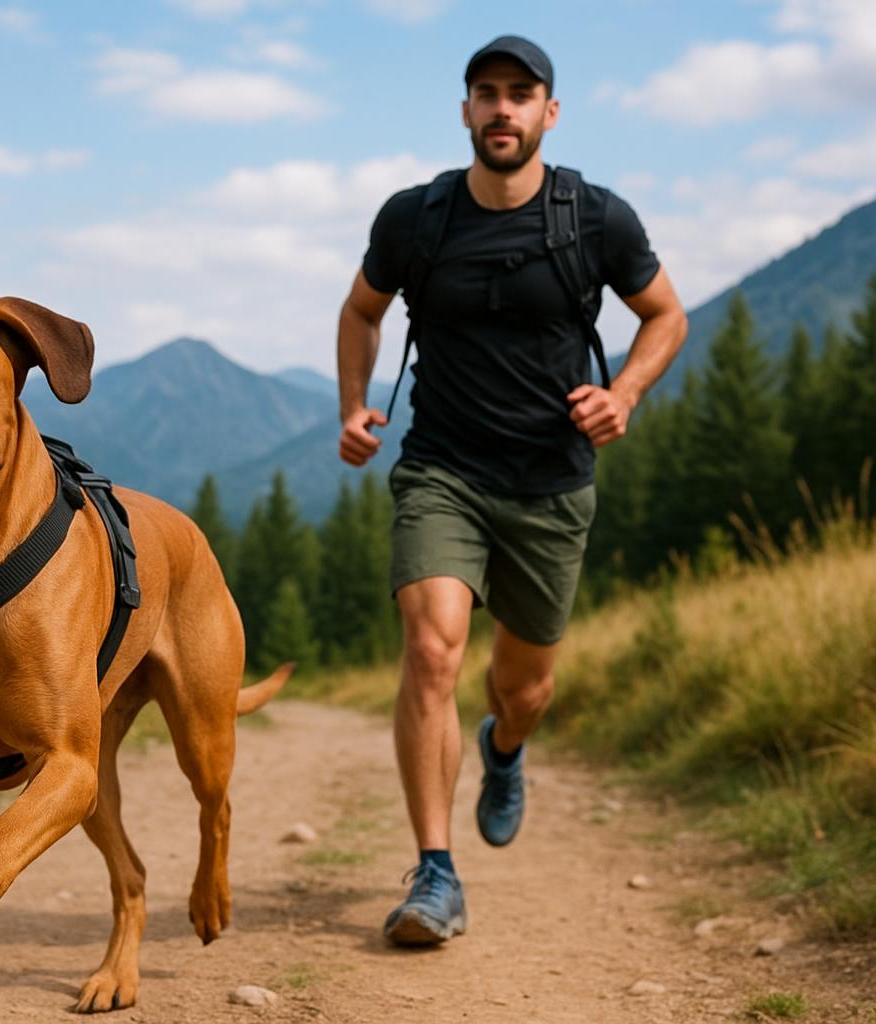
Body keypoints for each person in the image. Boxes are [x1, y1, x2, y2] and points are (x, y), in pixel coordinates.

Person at [334, 35, 688, 947]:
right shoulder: (416, 220)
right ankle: (435, 873)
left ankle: (503, 748)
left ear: (548, 113)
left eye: (520, 94)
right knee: (433, 651)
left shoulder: (594, 219)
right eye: (486, 93)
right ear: (465, 112)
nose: (502, 108)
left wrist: (626, 394)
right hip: (442, 469)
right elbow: (361, 310)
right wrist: (354, 406)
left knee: (524, 687)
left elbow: (666, 315)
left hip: (551, 482)